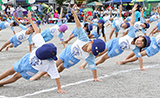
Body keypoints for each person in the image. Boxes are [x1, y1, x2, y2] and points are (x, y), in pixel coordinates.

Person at [29, 4, 106, 82]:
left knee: (61, 67)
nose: (90, 52)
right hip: (68, 50)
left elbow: (93, 67)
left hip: (74, 59)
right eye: (91, 49)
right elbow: (79, 26)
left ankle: (52, 74)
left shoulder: (90, 56)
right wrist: (75, 15)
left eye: (92, 52)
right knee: (55, 63)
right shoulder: (84, 38)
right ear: (91, 42)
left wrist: (95, 78)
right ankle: (39, 76)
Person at [0, 11, 67, 93]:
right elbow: (37, 31)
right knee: (10, 71)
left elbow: (56, 76)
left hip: (31, 69)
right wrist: (30, 20)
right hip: (26, 59)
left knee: (16, 76)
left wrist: (59, 88)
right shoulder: (41, 44)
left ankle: (2, 83)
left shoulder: (51, 63)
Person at [80, 4, 151, 71]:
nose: (139, 42)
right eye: (141, 40)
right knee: (99, 52)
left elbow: (139, 57)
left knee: (104, 57)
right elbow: (132, 23)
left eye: (141, 44)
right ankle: (84, 64)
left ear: (142, 47)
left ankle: (96, 63)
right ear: (140, 36)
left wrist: (141, 67)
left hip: (117, 50)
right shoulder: (132, 35)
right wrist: (133, 12)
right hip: (114, 41)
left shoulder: (136, 48)